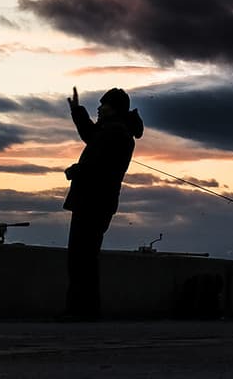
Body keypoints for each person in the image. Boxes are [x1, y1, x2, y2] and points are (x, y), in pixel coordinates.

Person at [60, 85, 145, 320]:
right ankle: (85, 309)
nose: (99, 108)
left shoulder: (115, 133)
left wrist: (75, 171)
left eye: (103, 105)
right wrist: (78, 112)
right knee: (85, 256)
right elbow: (91, 137)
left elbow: (98, 167)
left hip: (93, 201)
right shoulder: (113, 131)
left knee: (81, 257)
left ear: (114, 109)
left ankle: (80, 310)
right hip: (99, 202)